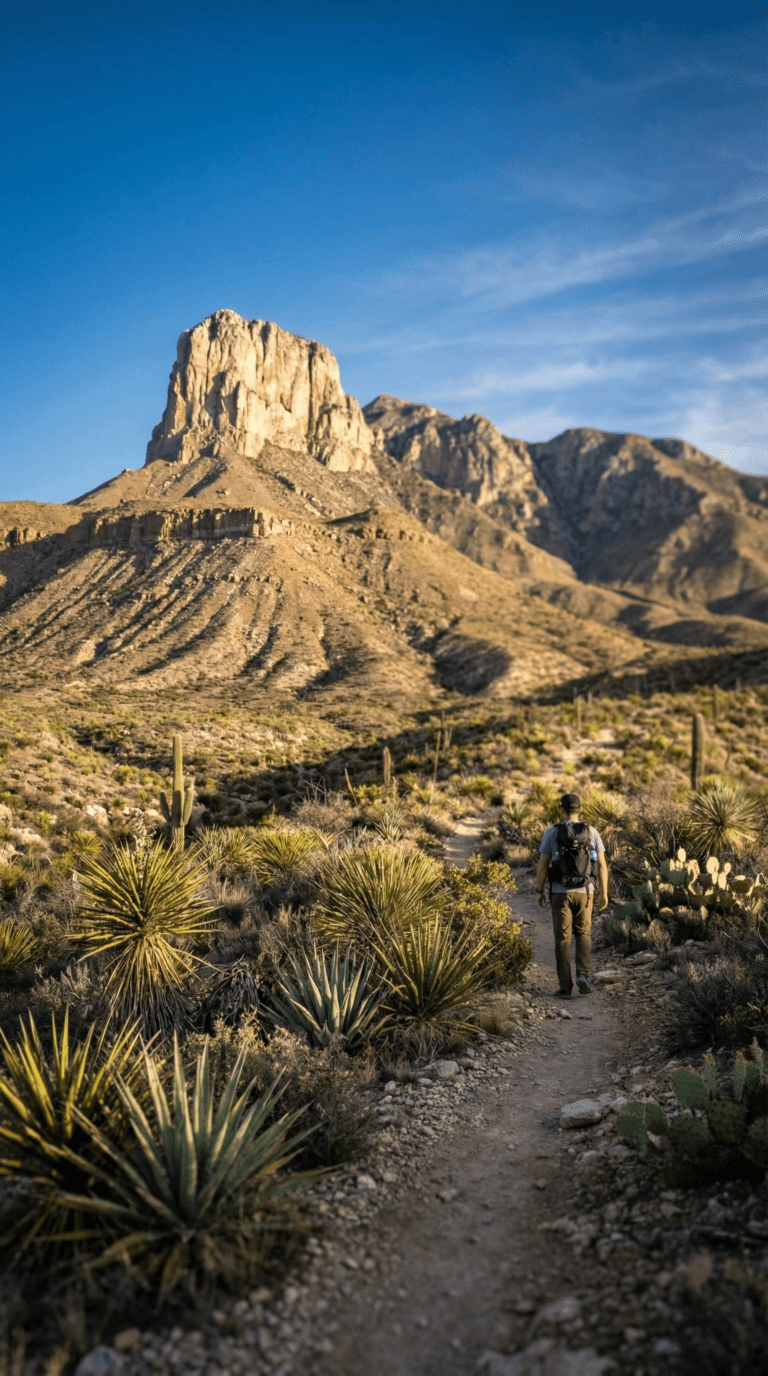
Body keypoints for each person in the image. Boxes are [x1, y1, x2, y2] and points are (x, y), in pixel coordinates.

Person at [536, 792, 608, 998]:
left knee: (562, 939)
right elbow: (602, 865)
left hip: (560, 892)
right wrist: (604, 892)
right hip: (586, 892)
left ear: (562, 809)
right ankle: (583, 975)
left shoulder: (552, 832)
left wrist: (539, 891)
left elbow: (542, 865)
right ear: (581, 810)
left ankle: (565, 987)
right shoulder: (592, 832)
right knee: (584, 934)